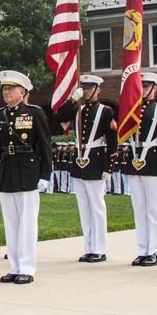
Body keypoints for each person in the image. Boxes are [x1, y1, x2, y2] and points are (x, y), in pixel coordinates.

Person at [0, 70, 52, 284]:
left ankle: (27, 267)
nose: (6, 91)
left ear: (22, 91)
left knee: (27, 222)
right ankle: (15, 265)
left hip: (29, 170)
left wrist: (45, 175)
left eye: (10, 88)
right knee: (11, 222)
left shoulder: (34, 113)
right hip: (7, 170)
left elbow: (45, 146)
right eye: (4, 89)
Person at [55, 74, 117, 263]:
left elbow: (112, 142)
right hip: (79, 162)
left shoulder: (105, 111)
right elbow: (59, 116)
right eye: (85, 88)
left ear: (98, 90)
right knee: (84, 207)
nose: (87, 91)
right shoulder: (78, 109)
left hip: (96, 160)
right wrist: (72, 99)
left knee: (97, 207)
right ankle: (89, 247)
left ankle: (100, 248)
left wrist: (109, 166)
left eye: (90, 88)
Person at [126, 72, 157, 267]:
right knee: (139, 209)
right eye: (141, 85)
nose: (144, 89)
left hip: (153, 162)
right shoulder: (131, 109)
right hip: (134, 161)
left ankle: (154, 250)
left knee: (153, 209)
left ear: (155, 88)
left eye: (147, 86)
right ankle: (142, 249)